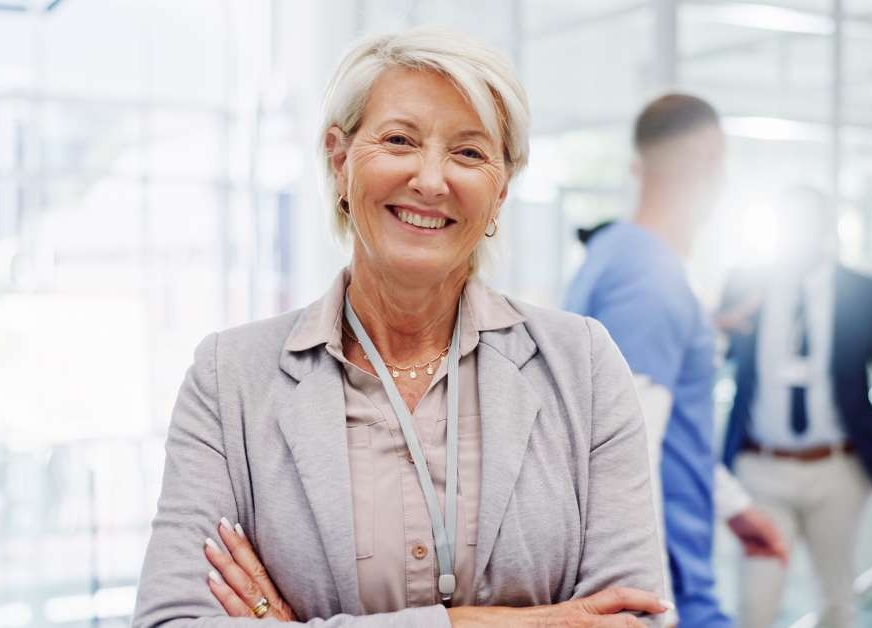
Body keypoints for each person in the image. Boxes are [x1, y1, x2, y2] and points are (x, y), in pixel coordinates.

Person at [132, 28, 669, 628]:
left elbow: (635, 618)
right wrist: (477, 623)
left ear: (500, 191)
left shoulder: (583, 364)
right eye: (399, 140)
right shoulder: (229, 378)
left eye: (469, 153)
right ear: (339, 161)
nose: (432, 180)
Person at [565, 93, 787, 628]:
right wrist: (650, 608)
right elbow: (629, 448)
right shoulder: (650, 278)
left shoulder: (613, 255)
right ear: (711, 156)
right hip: (667, 591)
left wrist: (733, 508)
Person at [719, 187, 872, 628]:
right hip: (761, 467)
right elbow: (711, 357)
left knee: (838, 602)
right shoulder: (745, 283)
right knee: (756, 606)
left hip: (839, 470)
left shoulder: (865, 292)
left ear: (827, 230)